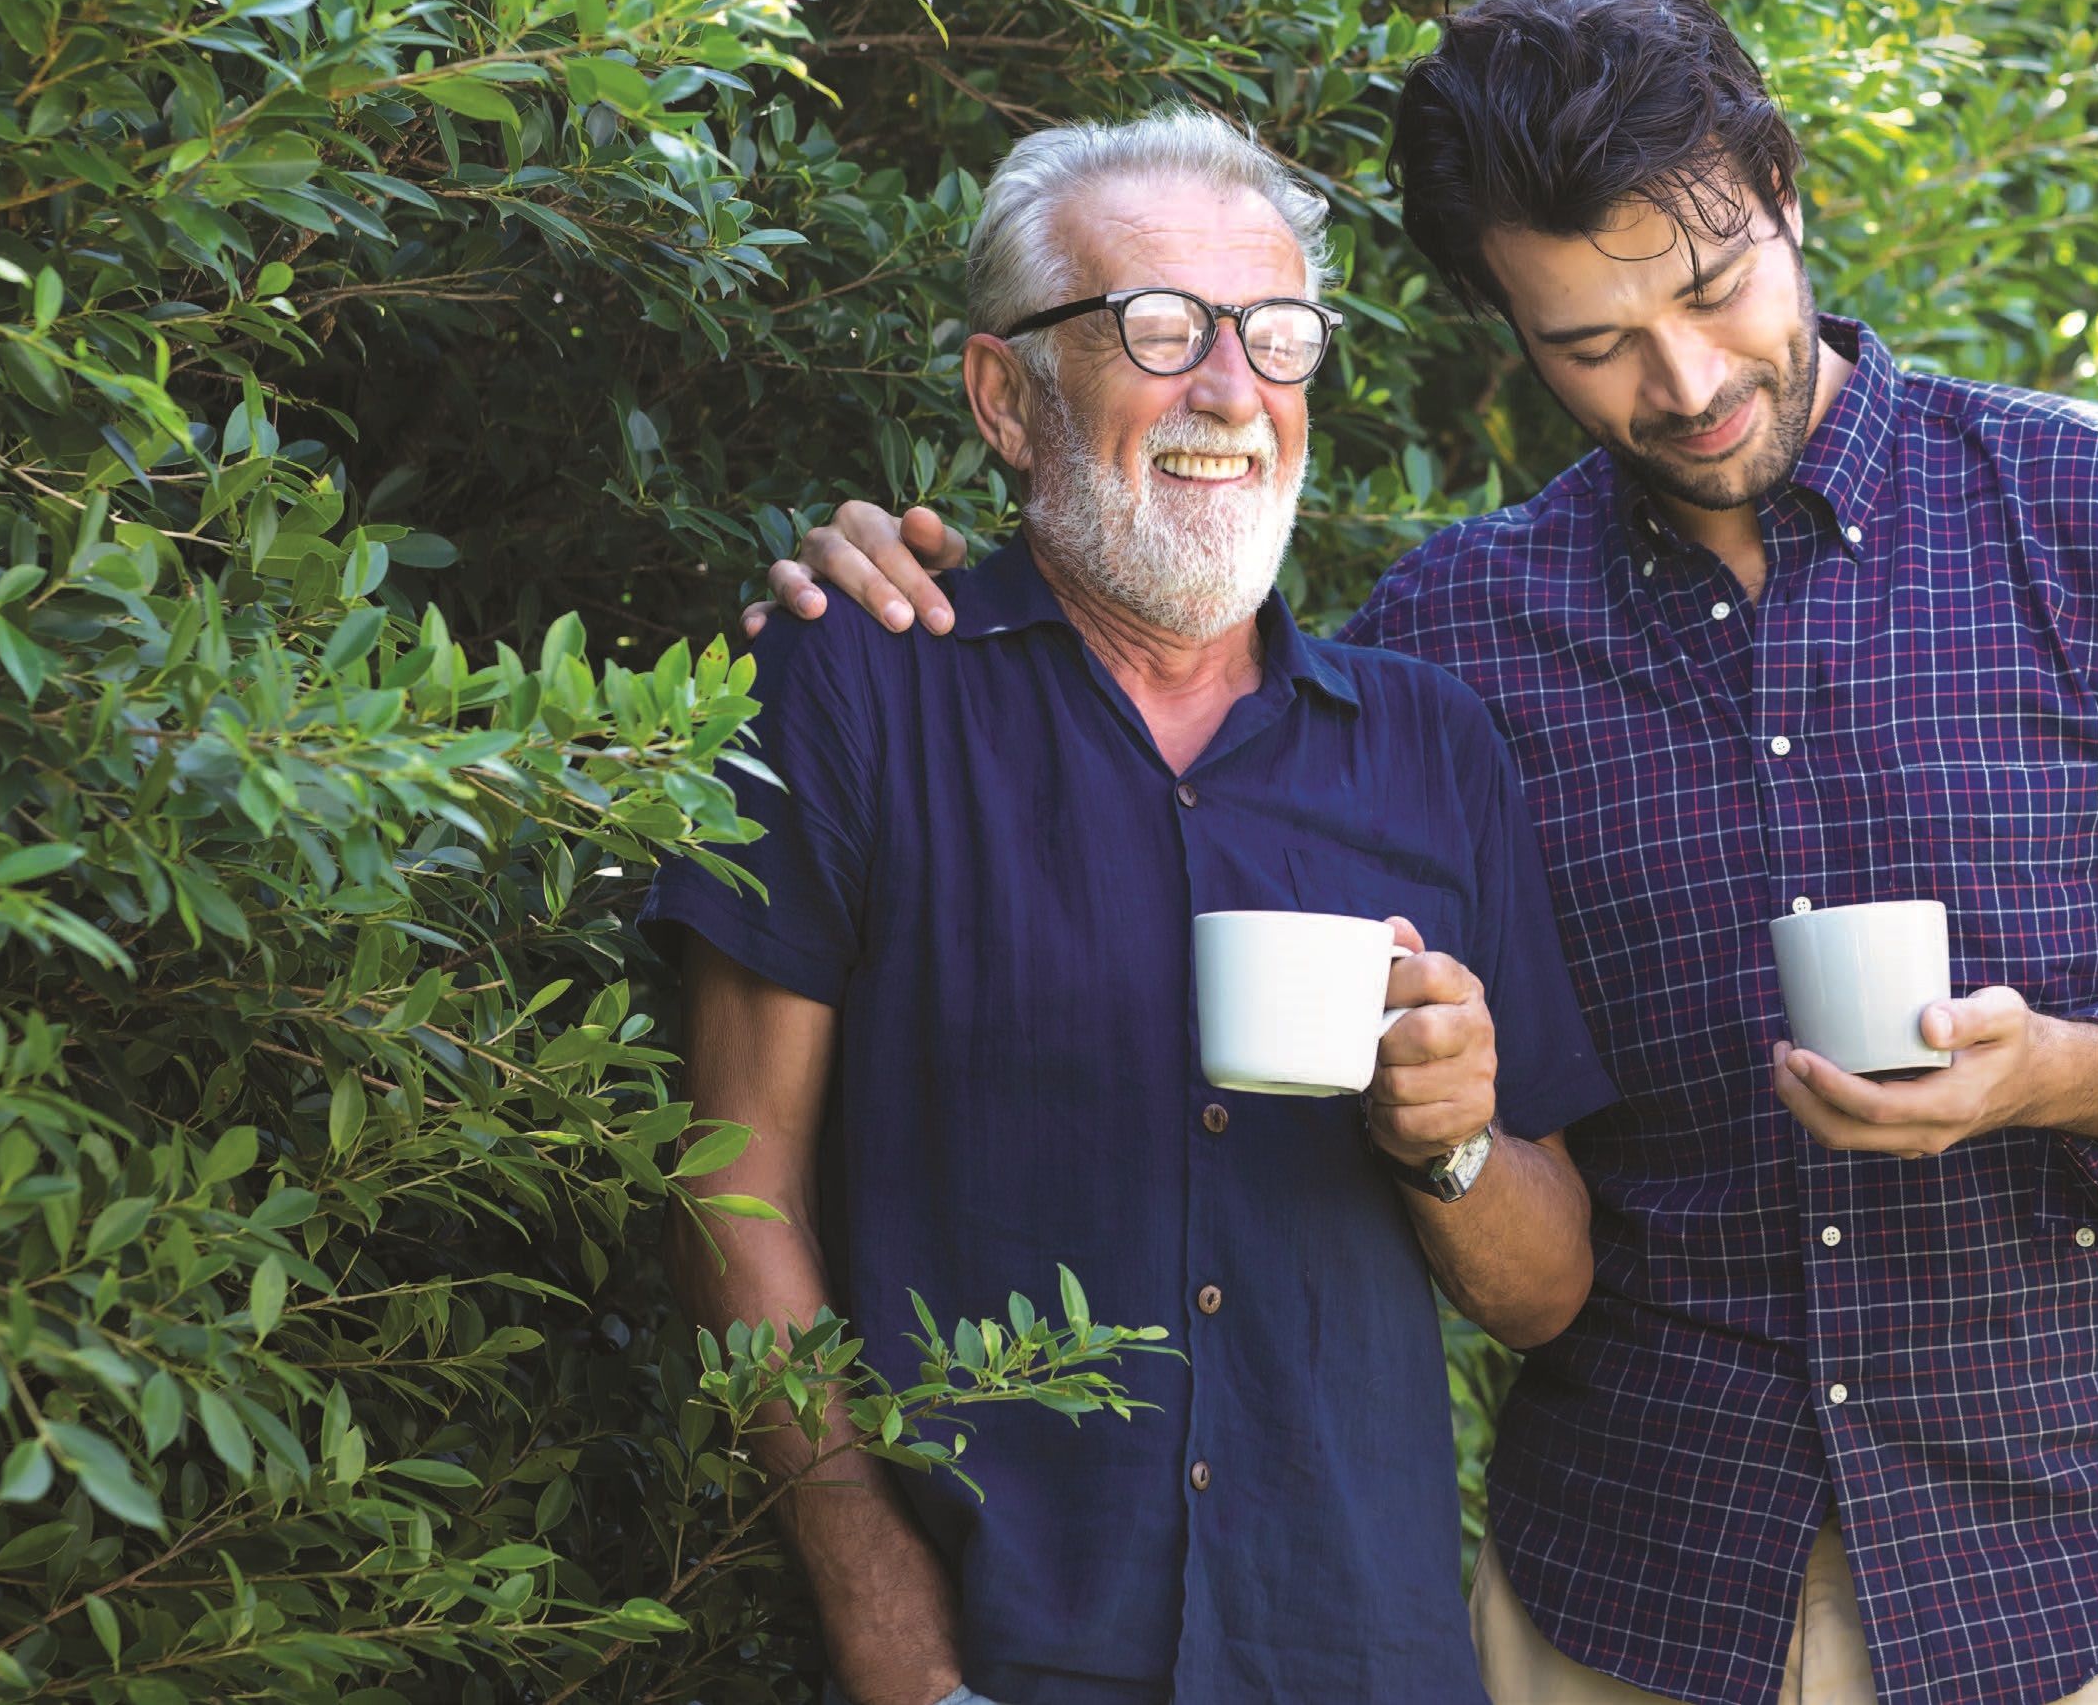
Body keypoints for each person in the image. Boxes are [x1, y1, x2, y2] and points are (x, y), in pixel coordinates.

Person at [754, 0, 2098, 1705]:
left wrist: (2057, 1068)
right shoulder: (1455, 635)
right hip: (1626, 1599)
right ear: (1504, 329)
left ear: (1781, 188)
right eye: (1590, 342)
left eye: (1710, 289)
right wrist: (874, 572)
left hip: (2072, 1585)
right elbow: (1152, 627)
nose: (1683, 381)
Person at [650, 105, 1617, 1705]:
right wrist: (888, 1630)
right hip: (995, 1658)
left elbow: (1547, 1286)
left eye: (1276, 337)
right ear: (1007, 396)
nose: (1229, 390)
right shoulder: (852, 683)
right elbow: (729, 1182)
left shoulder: (1431, 746)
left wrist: (1449, 1140)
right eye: (1157, 330)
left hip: (1358, 1660)